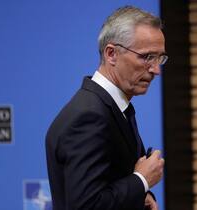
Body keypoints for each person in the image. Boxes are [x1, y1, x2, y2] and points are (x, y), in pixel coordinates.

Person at [45, 5, 168, 210]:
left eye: (160, 58)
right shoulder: (88, 116)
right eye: (147, 57)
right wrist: (142, 180)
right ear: (111, 54)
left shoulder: (113, 105)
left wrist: (142, 195)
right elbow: (86, 206)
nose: (156, 70)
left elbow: (111, 182)